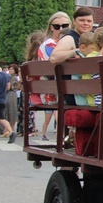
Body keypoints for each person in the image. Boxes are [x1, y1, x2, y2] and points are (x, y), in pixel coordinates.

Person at [38, 11, 73, 139]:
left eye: (65, 25)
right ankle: (71, 135)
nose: (61, 29)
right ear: (51, 28)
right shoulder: (49, 45)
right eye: (57, 26)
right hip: (54, 91)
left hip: (60, 88)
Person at [0, 62, 16, 144]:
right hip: (2, 99)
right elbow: (8, 87)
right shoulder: (5, 75)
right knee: (1, 118)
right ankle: (11, 132)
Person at [5, 64, 20, 139]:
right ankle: (9, 130)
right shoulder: (9, 77)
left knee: (11, 111)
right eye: (9, 69)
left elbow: (10, 87)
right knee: (8, 110)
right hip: (10, 94)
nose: (10, 70)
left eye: (12, 69)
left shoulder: (14, 78)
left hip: (12, 94)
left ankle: (11, 129)